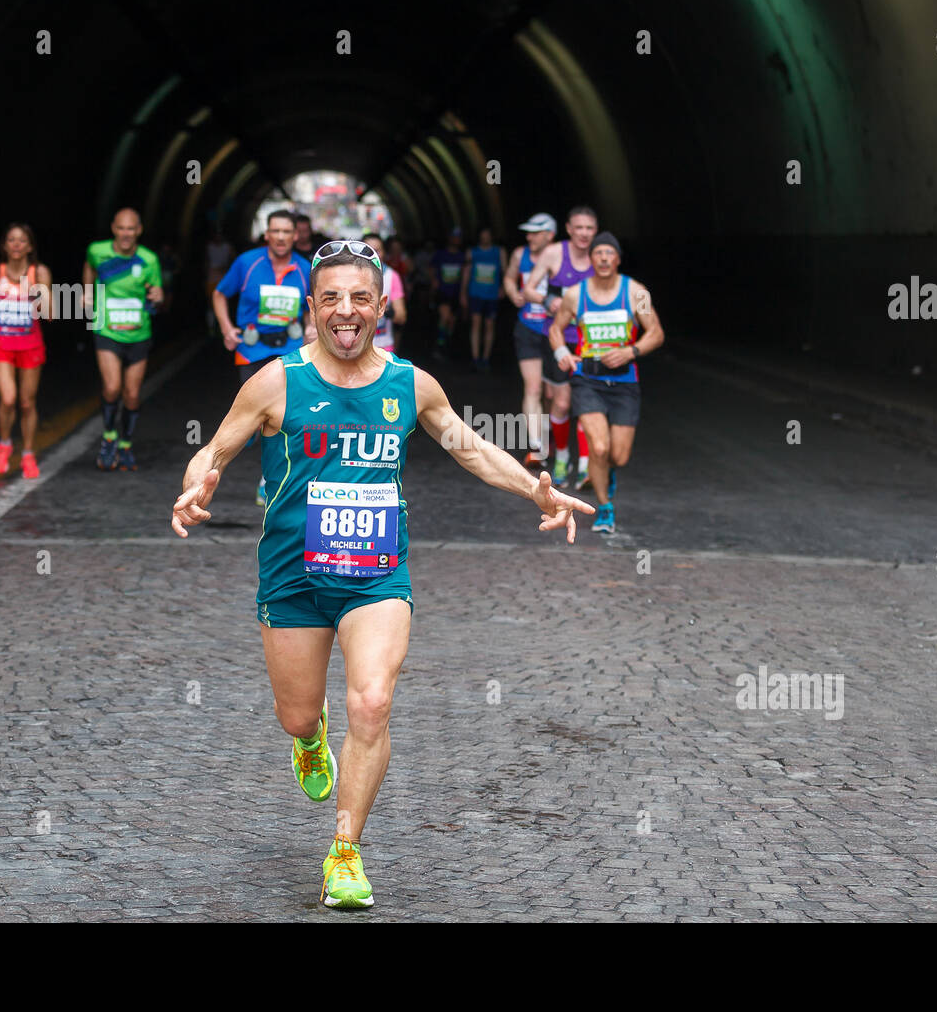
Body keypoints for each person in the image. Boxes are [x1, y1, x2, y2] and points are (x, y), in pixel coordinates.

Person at [170, 239, 593, 909]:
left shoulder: (410, 384)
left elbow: (471, 448)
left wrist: (534, 490)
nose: (345, 311)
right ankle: (310, 740)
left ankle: (345, 853)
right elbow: (214, 449)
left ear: (382, 305)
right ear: (312, 309)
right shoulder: (275, 383)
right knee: (297, 713)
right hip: (292, 576)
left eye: (359, 298)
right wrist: (197, 486)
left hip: (376, 576)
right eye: (331, 299)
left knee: (371, 701)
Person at [548, 232, 664, 535]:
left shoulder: (635, 292)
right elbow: (556, 329)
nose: (602, 258)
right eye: (597, 253)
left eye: (608, 253)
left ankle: (608, 472)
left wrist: (631, 350)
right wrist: (562, 354)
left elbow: (656, 332)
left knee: (618, 456)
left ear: (617, 259)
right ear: (591, 259)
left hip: (625, 382)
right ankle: (605, 507)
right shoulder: (576, 294)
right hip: (588, 380)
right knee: (598, 448)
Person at [211, 210, 313, 506]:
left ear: (296, 236)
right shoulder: (247, 262)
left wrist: (310, 327)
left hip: (290, 349)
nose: (281, 237)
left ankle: (268, 480)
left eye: (286, 232)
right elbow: (220, 294)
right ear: (266, 234)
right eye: (275, 231)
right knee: (255, 420)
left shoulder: (305, 268)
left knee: (287, 417)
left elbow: (314, 305)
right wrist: (227, 329)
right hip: (252, 349)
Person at [520, 206, 597, 486]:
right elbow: (528, 289)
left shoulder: (600, 255)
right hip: (556, 337)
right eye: (579, 228)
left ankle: (587, 467)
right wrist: (546, 301)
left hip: (591, 340)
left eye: (589, 228)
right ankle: (563, 456)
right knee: (561, 402)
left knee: (588, 402)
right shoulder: (554, 254)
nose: (584, 234)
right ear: (568, 229)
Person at [82, 208, 163, 471]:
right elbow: (89, 266)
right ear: (113, 229)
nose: (126, 234)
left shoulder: (149, 260)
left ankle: (126, 444)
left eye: (131, 229)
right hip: (107, 329)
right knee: (113, 387)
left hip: (138, 333)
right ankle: (108, 438)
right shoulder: (97, 251)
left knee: (132, 394)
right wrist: (86, 291)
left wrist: (158, 297)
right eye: (121, 228)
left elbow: (156, 291)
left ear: (138, 230)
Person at [0, 223, 52, 478]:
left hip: (30, 345)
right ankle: (4, 444)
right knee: (8, 399)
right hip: (1, 343)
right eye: (11, 240)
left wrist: (41, 298)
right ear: (4, 246)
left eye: (22, 241)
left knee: (26, 402)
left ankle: (28, 453)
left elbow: (51, 315)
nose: (17, 245)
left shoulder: (39, 272)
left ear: (30, 246)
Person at [504, 212, 557, 470]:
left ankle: (547, 437)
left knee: (551, 393)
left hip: (555, 332)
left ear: (550, 235)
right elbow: (509, 278)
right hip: (527, 328)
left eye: (535, 233)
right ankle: (537, 446)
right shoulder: (519, 255)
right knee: (533, 388)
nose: (529, 237)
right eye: (528, 232)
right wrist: (514, 293)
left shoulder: (561, 256)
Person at [459, 228, 505, 372]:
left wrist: (504, 287)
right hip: (475, 293)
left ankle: (485, 358)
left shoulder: (499, 252)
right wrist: (463, 292)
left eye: (487, 236)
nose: (485, 239)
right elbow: (466, 272)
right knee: (476, 324)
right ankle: (475, 357)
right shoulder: (472, 252)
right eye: (482, 236)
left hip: (492, 295)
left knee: (490, 325)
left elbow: (505, 270)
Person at [362, 232, 406, 354]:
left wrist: (383, 310)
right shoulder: (350, 276)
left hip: (383, 347)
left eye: (377, 250)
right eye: (368, 251)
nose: (373, 255)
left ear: (384, 253)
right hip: (357, 347)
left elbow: (401, 317)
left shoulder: (392, 276)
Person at [429, 228, 465, 357]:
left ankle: (446, 343)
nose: (456, 239)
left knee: (451, 321)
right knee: (444, 317)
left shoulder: (462, 256)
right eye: (454, 236)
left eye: (458, 237)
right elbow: (432, 269)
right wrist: (434, 283)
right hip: (443, 292)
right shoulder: (440, 254)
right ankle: (439, 345)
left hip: (456, 293)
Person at [204, 228, 236, 335]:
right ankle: (211, 326)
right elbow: (206, 262)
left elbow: (235, 262)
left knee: (224, 303)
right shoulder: (209, 247)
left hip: (224, 278)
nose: (218, 237)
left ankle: (223, 326)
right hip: (211, 278)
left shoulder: (228, 247)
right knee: (210, 303)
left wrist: (227, 269)